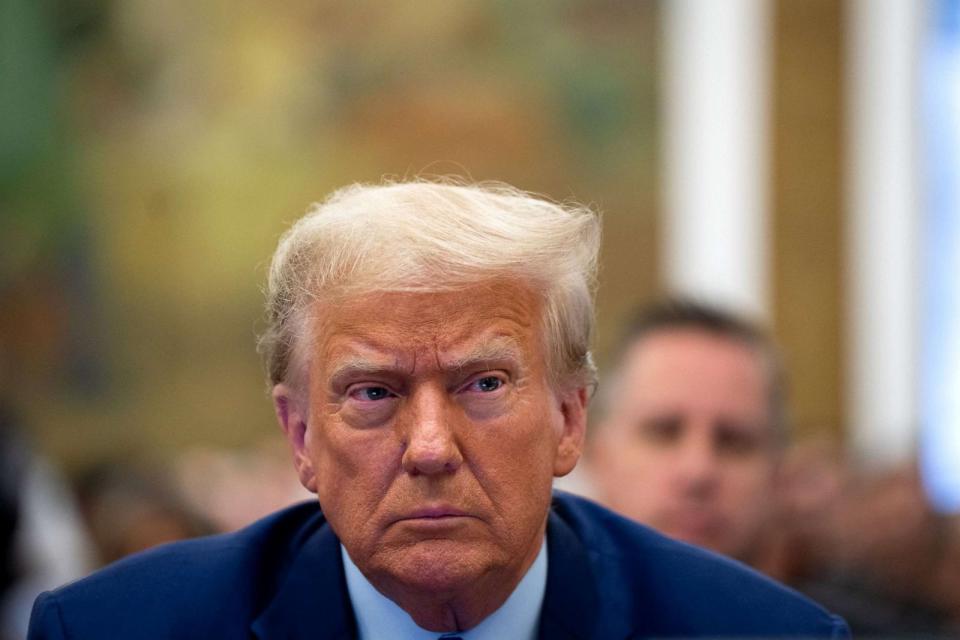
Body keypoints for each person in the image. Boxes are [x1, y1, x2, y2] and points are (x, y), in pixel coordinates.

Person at [28, 181, 848, 639]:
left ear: (569, 418)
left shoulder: (762, 635)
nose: (429, 448)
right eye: (374, 393)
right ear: (301, 436)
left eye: (484, 385)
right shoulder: (112, 631)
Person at [588, 299, 784, 566]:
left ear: (776, 471)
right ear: (598, 454)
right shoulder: (527, 606)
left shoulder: (826, 609)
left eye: (733, 442)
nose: (698, 472)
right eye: (664, 432)